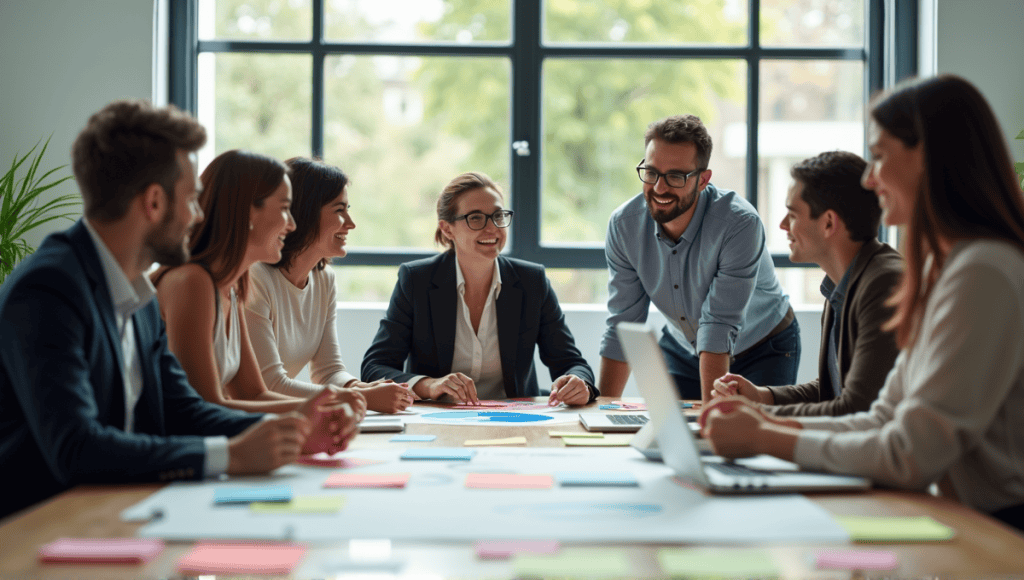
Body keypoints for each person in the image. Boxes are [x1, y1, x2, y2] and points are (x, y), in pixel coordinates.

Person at [703, 75, 1024, 532]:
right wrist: (762, 425)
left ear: (929, 157)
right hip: (970, 523)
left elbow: (907, 452)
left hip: (1002, 531)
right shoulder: (944, 270)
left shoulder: (983, 271)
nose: (871, 179)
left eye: (879, 155)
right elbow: (881, 417)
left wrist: (766, 435)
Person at [0, 100, 328, 519]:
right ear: (154, 202)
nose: (198, 215)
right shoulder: (49, 289)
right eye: (192, 199)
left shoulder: (138, 297)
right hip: (40, 526)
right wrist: (229, 456)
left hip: (116, 509)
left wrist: (292, 432)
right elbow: (77, 447)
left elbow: (183, 409)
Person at [153, 150, 366, 424]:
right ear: (247, 213)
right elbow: (203, 408)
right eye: (284, 209)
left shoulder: (232, 284)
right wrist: (323, 406)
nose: (291, 224)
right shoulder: (192, 282)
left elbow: (253, 394)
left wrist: (328, 404)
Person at [600, 115, 798, 403]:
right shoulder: (624, 225)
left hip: (763, 347)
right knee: (673, 434)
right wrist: (600, 413)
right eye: (652, 172)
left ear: (703, 180)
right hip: (683, 347)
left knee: (739, 438)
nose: (659, 188)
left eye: (676, 177)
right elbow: (623, 324)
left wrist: (712, 419)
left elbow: (718, 324)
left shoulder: (739, 223)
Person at [361, 172, 597, 405]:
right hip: (442, 418)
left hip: (514, 418)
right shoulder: (417, 280)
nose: (492, 228)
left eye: (497, 216)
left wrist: (579, 382)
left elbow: (570, 361)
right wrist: (430, 385)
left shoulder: (531, 281)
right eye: (475, 218)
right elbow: (374, 367)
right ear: (447, 229)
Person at [711, 151, 903, 416]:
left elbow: (857, 409)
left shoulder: (883, 285)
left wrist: (759, 417)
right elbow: (831, 391)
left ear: (827, 223)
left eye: (792, 214)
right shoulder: (841, 284)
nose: (781, 225)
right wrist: (760, 396)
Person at [246, 157, 415, 413]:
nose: (351, 223)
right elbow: (269, 385)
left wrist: (362, 388)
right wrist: (363, 399)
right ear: (304, 213)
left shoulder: (324, 279)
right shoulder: (256, 277)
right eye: (339, 210)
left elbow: (329, 371)